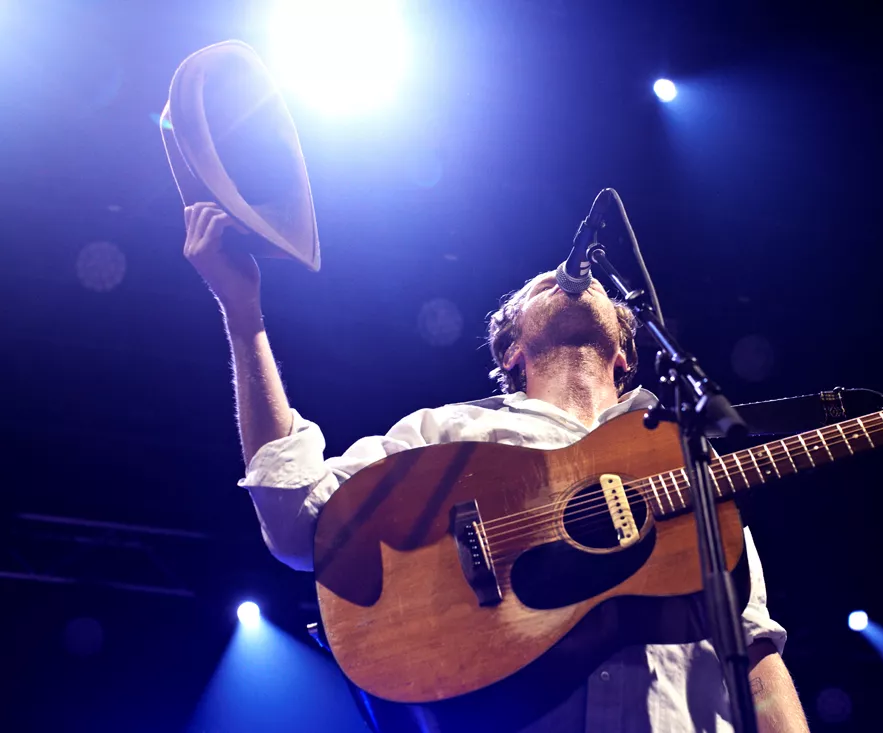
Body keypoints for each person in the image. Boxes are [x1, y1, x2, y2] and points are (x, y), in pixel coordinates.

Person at [184, 201, 811, 733]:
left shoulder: (685, 465)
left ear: (626, 354)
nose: (567, 279)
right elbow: (298, 521)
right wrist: (244, 316)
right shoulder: (447, 435)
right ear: (510, 350)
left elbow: (759, 657)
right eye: (540, 284)